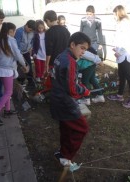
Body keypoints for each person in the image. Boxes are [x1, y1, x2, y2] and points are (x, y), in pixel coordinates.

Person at [50, 32, 91, 167]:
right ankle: (67, 156)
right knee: (82, 128)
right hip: (66, 103)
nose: (83, 52)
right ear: (72, 45)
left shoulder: (61, 56)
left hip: (57, 99)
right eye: (82, 48)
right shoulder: (71, 61)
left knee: (66, 128)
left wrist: (79, 85)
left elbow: (64, 80)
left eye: (85, 49)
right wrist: (83, 90)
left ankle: (62, 154)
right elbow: (72, 90)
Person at [0, 22, 29, 126]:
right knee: (8, 92)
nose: (15, 33)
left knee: (7, 90)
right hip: (7, 69)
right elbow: (17, 54)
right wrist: (24, 65)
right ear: (11, 31)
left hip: (0, 68)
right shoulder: (11, 40)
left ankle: (7, 110)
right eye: (14, 31)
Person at [107, 5, 130, 108]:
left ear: (118, 13)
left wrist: (119, 52)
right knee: (122, 75)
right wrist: (116, 49)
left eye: (114, 14)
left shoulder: (125, 23)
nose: (113, 16)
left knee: (129, 76)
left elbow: (128, 40)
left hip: (126, 55)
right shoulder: (121, 23)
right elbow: (119, 38)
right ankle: (119, 95)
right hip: (121, 55)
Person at [14, 20, 36, 87]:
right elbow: (16, 44)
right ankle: (21, 81)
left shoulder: (32, 32)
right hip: (19, 53)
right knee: (20, 67)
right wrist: (20, 55)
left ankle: (30, 82)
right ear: (26, 25)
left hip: (26, 52)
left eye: (32, 30)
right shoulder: (19, 31)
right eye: (30, 29)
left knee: (28, 66)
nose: (30, 31)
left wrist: (31, 47)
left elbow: (32, 40)